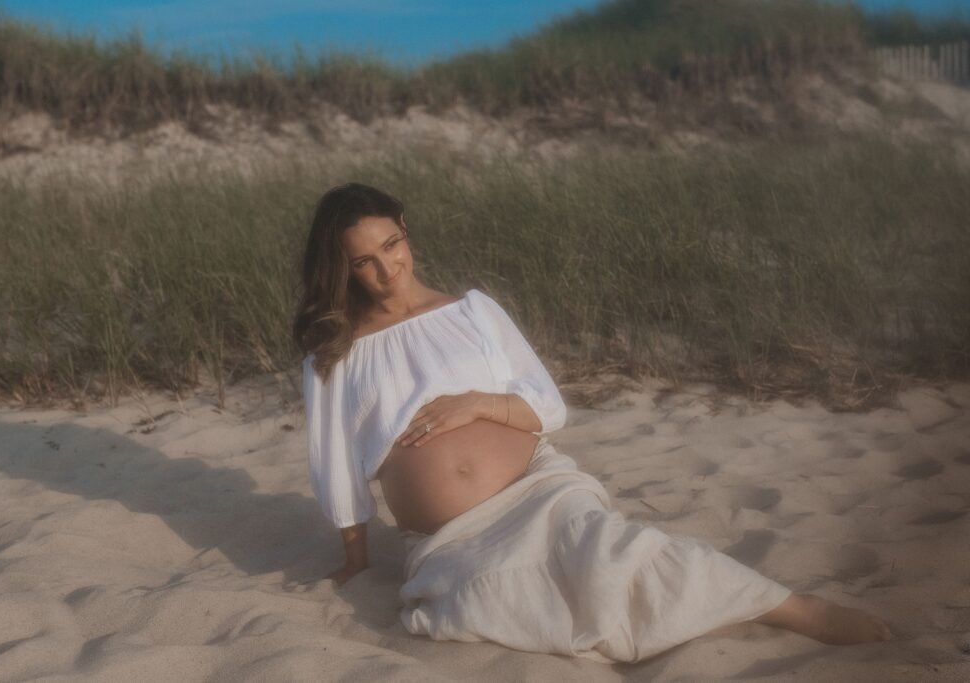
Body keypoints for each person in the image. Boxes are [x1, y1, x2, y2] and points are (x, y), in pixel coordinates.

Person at [291, 182, 893, 663]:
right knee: (488, 602)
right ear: (344, 270)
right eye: (364, 262)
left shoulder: (473, 311)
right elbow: (336, 462)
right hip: (450, 536)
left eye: (392, 245)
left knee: (617, 549)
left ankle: (791, 609)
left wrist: (478, 404)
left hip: (538, 489)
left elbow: (546, 407)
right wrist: (355, 554)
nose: (387, 269)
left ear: (407, 231)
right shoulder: (336, 352)